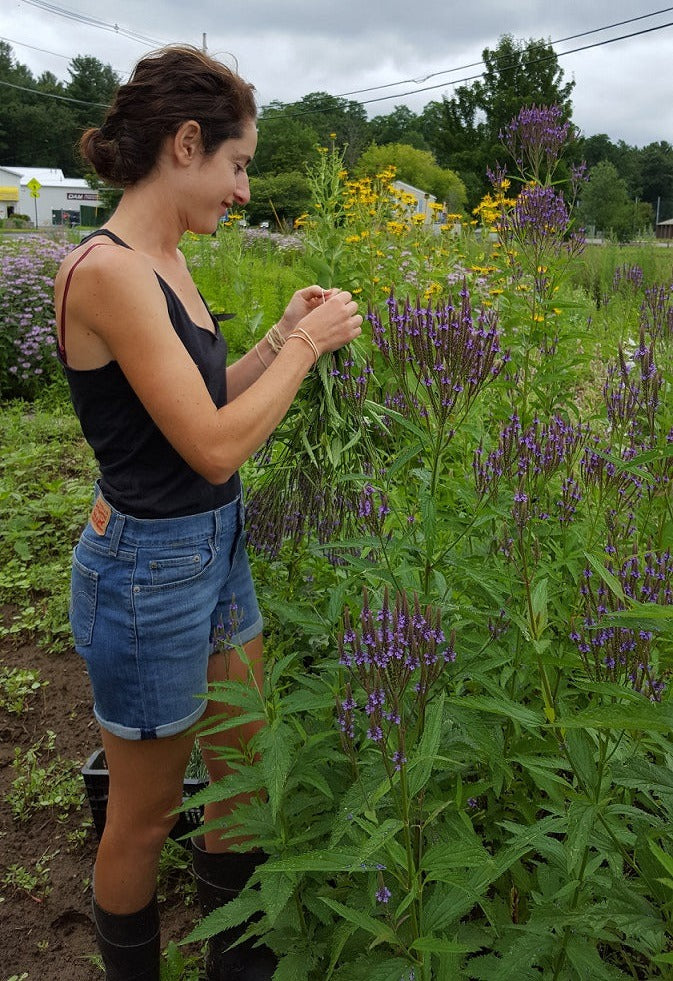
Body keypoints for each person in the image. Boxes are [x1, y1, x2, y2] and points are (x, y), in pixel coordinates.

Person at [54, 45, 362, 981]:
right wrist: (307, 347)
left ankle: (239, 966)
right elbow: (216, 445)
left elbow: (200, 400)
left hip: (213, 549)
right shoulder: (106, 271)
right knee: (144, 818)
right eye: (238, 165)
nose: (240, 190)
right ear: (186, 144)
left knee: (241, 771)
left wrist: (272, 340)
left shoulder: (169, 259)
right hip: (148, 568)